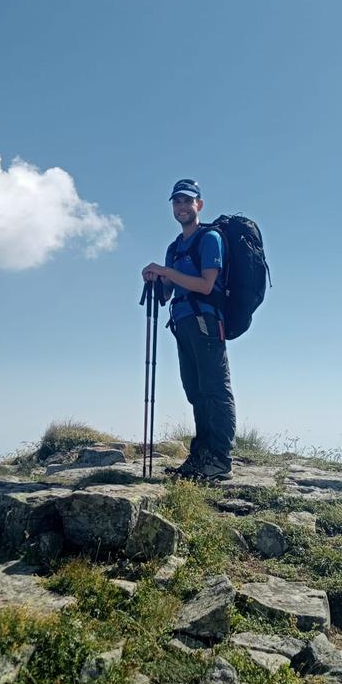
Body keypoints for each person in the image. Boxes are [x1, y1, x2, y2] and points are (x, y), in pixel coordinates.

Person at [142, 178, 236, 481]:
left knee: (214, 390)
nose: (182, 207)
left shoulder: (209, 239)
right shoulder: (175, 248)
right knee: (195, 390)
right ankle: (200, 456)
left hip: (206, 323)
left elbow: (206, 285)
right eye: (177, 202)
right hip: (182, 323)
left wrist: (167, 271)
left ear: (200, 204)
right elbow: (168, 293)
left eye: (187, 201)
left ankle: (220, 460)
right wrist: (156, 278)